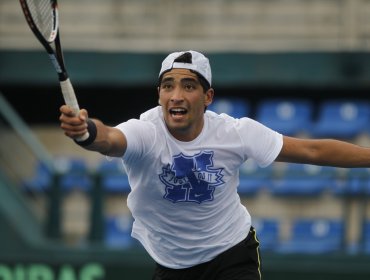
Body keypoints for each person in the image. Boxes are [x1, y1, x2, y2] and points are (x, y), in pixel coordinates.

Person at [59, 50, 370, 280]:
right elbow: (110, 138)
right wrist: (87, 132)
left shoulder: (235, 133)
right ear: (159, 94)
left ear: (207, 96)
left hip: (232, 253)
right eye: (167, 86)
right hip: (171, 264)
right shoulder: (145, 131)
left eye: (188, 86)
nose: (176, 95)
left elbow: (313, 151)